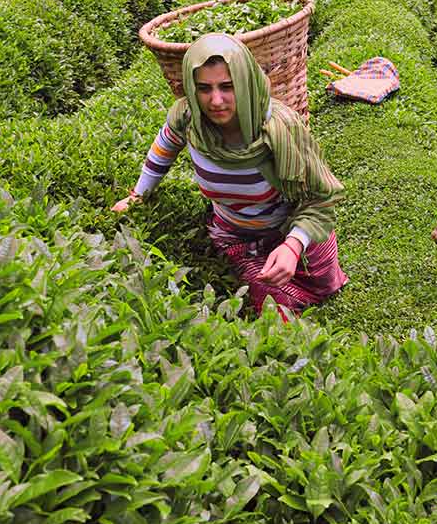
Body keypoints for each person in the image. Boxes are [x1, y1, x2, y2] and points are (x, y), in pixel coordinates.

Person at [113, 33, 347, 319]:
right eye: (204, 88)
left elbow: (321, 198)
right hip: (237, 234)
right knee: (270, 309)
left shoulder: (279, 129)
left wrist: (293, 244)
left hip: (287, 226)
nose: (216, 100)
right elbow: (164, 148)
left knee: (322, 282)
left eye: (227, 86)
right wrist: (138, 195)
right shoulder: (190, 119)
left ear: (245, 83)